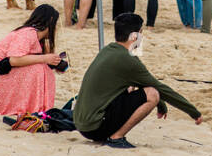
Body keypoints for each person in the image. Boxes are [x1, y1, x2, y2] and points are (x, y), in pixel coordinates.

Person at [75, 13, 202, 148]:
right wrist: (194, 113)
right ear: (135, 35)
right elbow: (159, 88)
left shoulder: (109, 50)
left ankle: (114, 135)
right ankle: (116, 138)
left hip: (83, 123)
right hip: (95, 127)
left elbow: (146, 81)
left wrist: (161, 105)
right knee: (152, 94)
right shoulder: (127, 60)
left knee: (133, 86)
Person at [0, 5, 64, 116]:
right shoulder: (27, 33)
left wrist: (53, 62)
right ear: (51, 21)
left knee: (42, 67)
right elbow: (14, 60)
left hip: (3, 78)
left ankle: (37, 107)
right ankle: (34, 107)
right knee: (39, 69)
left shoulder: (38, 38)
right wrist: (44, 58)